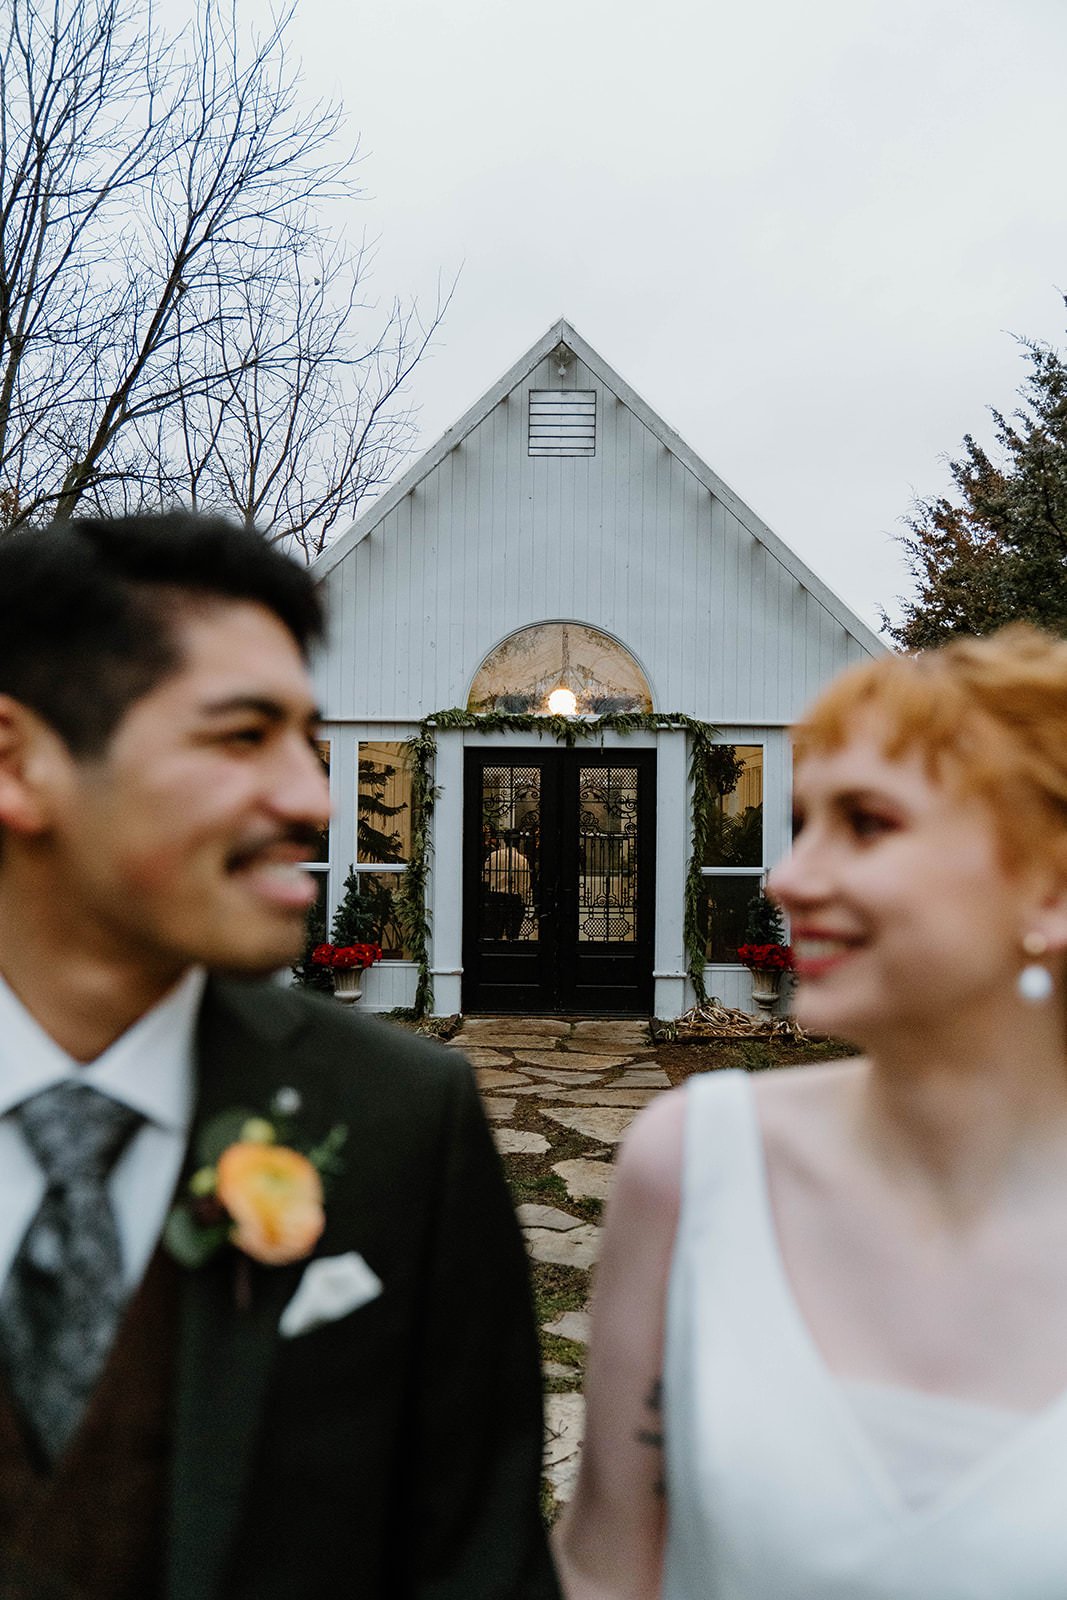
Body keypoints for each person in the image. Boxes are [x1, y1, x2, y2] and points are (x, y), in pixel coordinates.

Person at [0, 512, 559, 1600]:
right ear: (19, 762)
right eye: (240, 735)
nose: (311, 797)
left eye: (309, 742)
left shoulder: (405, 1116)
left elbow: (474, 1564)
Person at [556, 624, 1067, 1599]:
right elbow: (602, 1567)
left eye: (866, 823)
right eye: (801, 822)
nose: (786, 878)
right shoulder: (692, 1163)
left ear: (1045, 882)